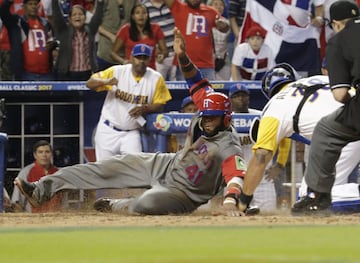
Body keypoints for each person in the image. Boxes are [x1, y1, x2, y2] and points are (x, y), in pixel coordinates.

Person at [13, 27, 254, 217]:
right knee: (103, 167)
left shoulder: (229, 145)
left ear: (226, 117)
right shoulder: (210, 103)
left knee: (146, 203)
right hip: (167, 164)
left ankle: (116, 206)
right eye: (206, 115)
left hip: (183, 193)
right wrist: (182, 56)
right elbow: (196, 80)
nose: (207, 120)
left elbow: (235, 177)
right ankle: (41, 189)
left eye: (212, 117)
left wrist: (231, 201)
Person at [236, 63, 360, 214]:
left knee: (310, 199)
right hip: (350, 118)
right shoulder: (318, 78)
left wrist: (244, 200)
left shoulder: (274, 106)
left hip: (344, 131)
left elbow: (261, 156)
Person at [291, 0, 360, 215]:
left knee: (326, 130)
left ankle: (318, 197)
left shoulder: (339, 40)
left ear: (336, 24)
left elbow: (339, 95)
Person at [87, 43, 172, 161]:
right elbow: (89, 83)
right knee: (104, 172)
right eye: (138, 57)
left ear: (149, 59)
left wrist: (144, 108)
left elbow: (160, 104)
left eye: (144, 58)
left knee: (136, 169)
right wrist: (105, 82)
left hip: (131, 133)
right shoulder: (117, 71)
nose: (141, 61)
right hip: (108, 130)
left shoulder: (156, 78)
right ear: (132, 57)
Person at [229, 83, 276, 211]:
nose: (240, 99)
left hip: (262, 177)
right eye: (236, 96)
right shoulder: (224, 120)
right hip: (235, 177)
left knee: (268, 214)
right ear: (230, 100)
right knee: (233, 214)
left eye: (243, 95)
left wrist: (280, 164)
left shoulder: (262, 116)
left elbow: (282, 138)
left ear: (249, 98)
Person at [163, 0, 230, 80]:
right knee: (185, 92)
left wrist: (223, 26)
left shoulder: (211, 11)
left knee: (208, 92)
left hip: (206, 65)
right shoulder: (179, 7)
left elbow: (225, 27)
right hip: (184, 64)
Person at [0, 0, 57, 80]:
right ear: (24, 6)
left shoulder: (46, 23)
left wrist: (54, 44)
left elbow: (52, 40)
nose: (33, 6)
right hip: (26, 75)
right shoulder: (16, 23)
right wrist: (8, 2)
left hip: (46, 74)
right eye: (30, 4)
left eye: (35, 4)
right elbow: (4, 14)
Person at [51, 0, 104, 80]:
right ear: (69, 18)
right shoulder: (64, 31)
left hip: (87, 74)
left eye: (80, 14)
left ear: (85, 18)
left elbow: (98, 17)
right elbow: (57, 14)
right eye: (74, 15)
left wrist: (100, 3)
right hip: (67, 74)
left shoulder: (90, 30)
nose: (77, 17)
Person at [110, 3, 168, 70]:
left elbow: (165, 51)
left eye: (144, 13)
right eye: (137, 13)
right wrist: (124, 62)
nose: (141, 15)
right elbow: (113, 53)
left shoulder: (156, 28)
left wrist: (162, 56)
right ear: (133, 16)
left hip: (150, 70)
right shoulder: (125, 30)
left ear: (148, 15)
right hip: (131, 70)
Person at [11, 140, 63, 213]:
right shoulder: (25, 172)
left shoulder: (59, 173)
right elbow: (17, 202)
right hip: (33, 219)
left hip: (56, 218)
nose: (44, 155)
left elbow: (64, 200)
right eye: (40, 152)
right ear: (35, 155)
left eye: (47, 152)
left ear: (51, 154)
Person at [96, 0, 138, 71]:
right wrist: (111, 36)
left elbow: (139, 19)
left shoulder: (134, 1)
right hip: (105, 54)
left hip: (126, 56)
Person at [143, 0, 177, 81]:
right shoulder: (144, 6)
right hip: (159, 57)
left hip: (177, 55)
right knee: (157, 85)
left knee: (180, 87)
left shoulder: (173, 4)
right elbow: (144, 30)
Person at [209, 0, 231, 81]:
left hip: (223, 59)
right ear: (209, 6)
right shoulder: (204, 20)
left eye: (221, 5)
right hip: (208, 60)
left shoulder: (227, 22)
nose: (219, 7)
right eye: (216, 4)